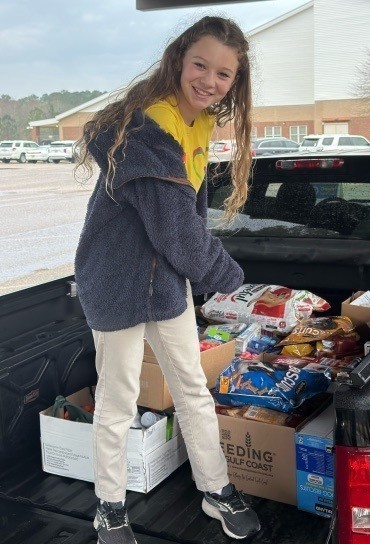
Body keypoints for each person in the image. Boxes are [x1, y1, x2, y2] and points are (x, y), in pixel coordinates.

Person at [73, 16, 260, 544]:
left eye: (223, 74)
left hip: (165, 284)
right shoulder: (147, 131)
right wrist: (230, 278)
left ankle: (215, 489)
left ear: (235, 81)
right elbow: (178, 231)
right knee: (118, 398)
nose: (209, 80)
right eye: (200, 65)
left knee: (193, 389)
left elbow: (188, 219)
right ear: (179, 60)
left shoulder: (197, 123)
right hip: (115, 282)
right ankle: (109, 506)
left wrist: (197, 272)